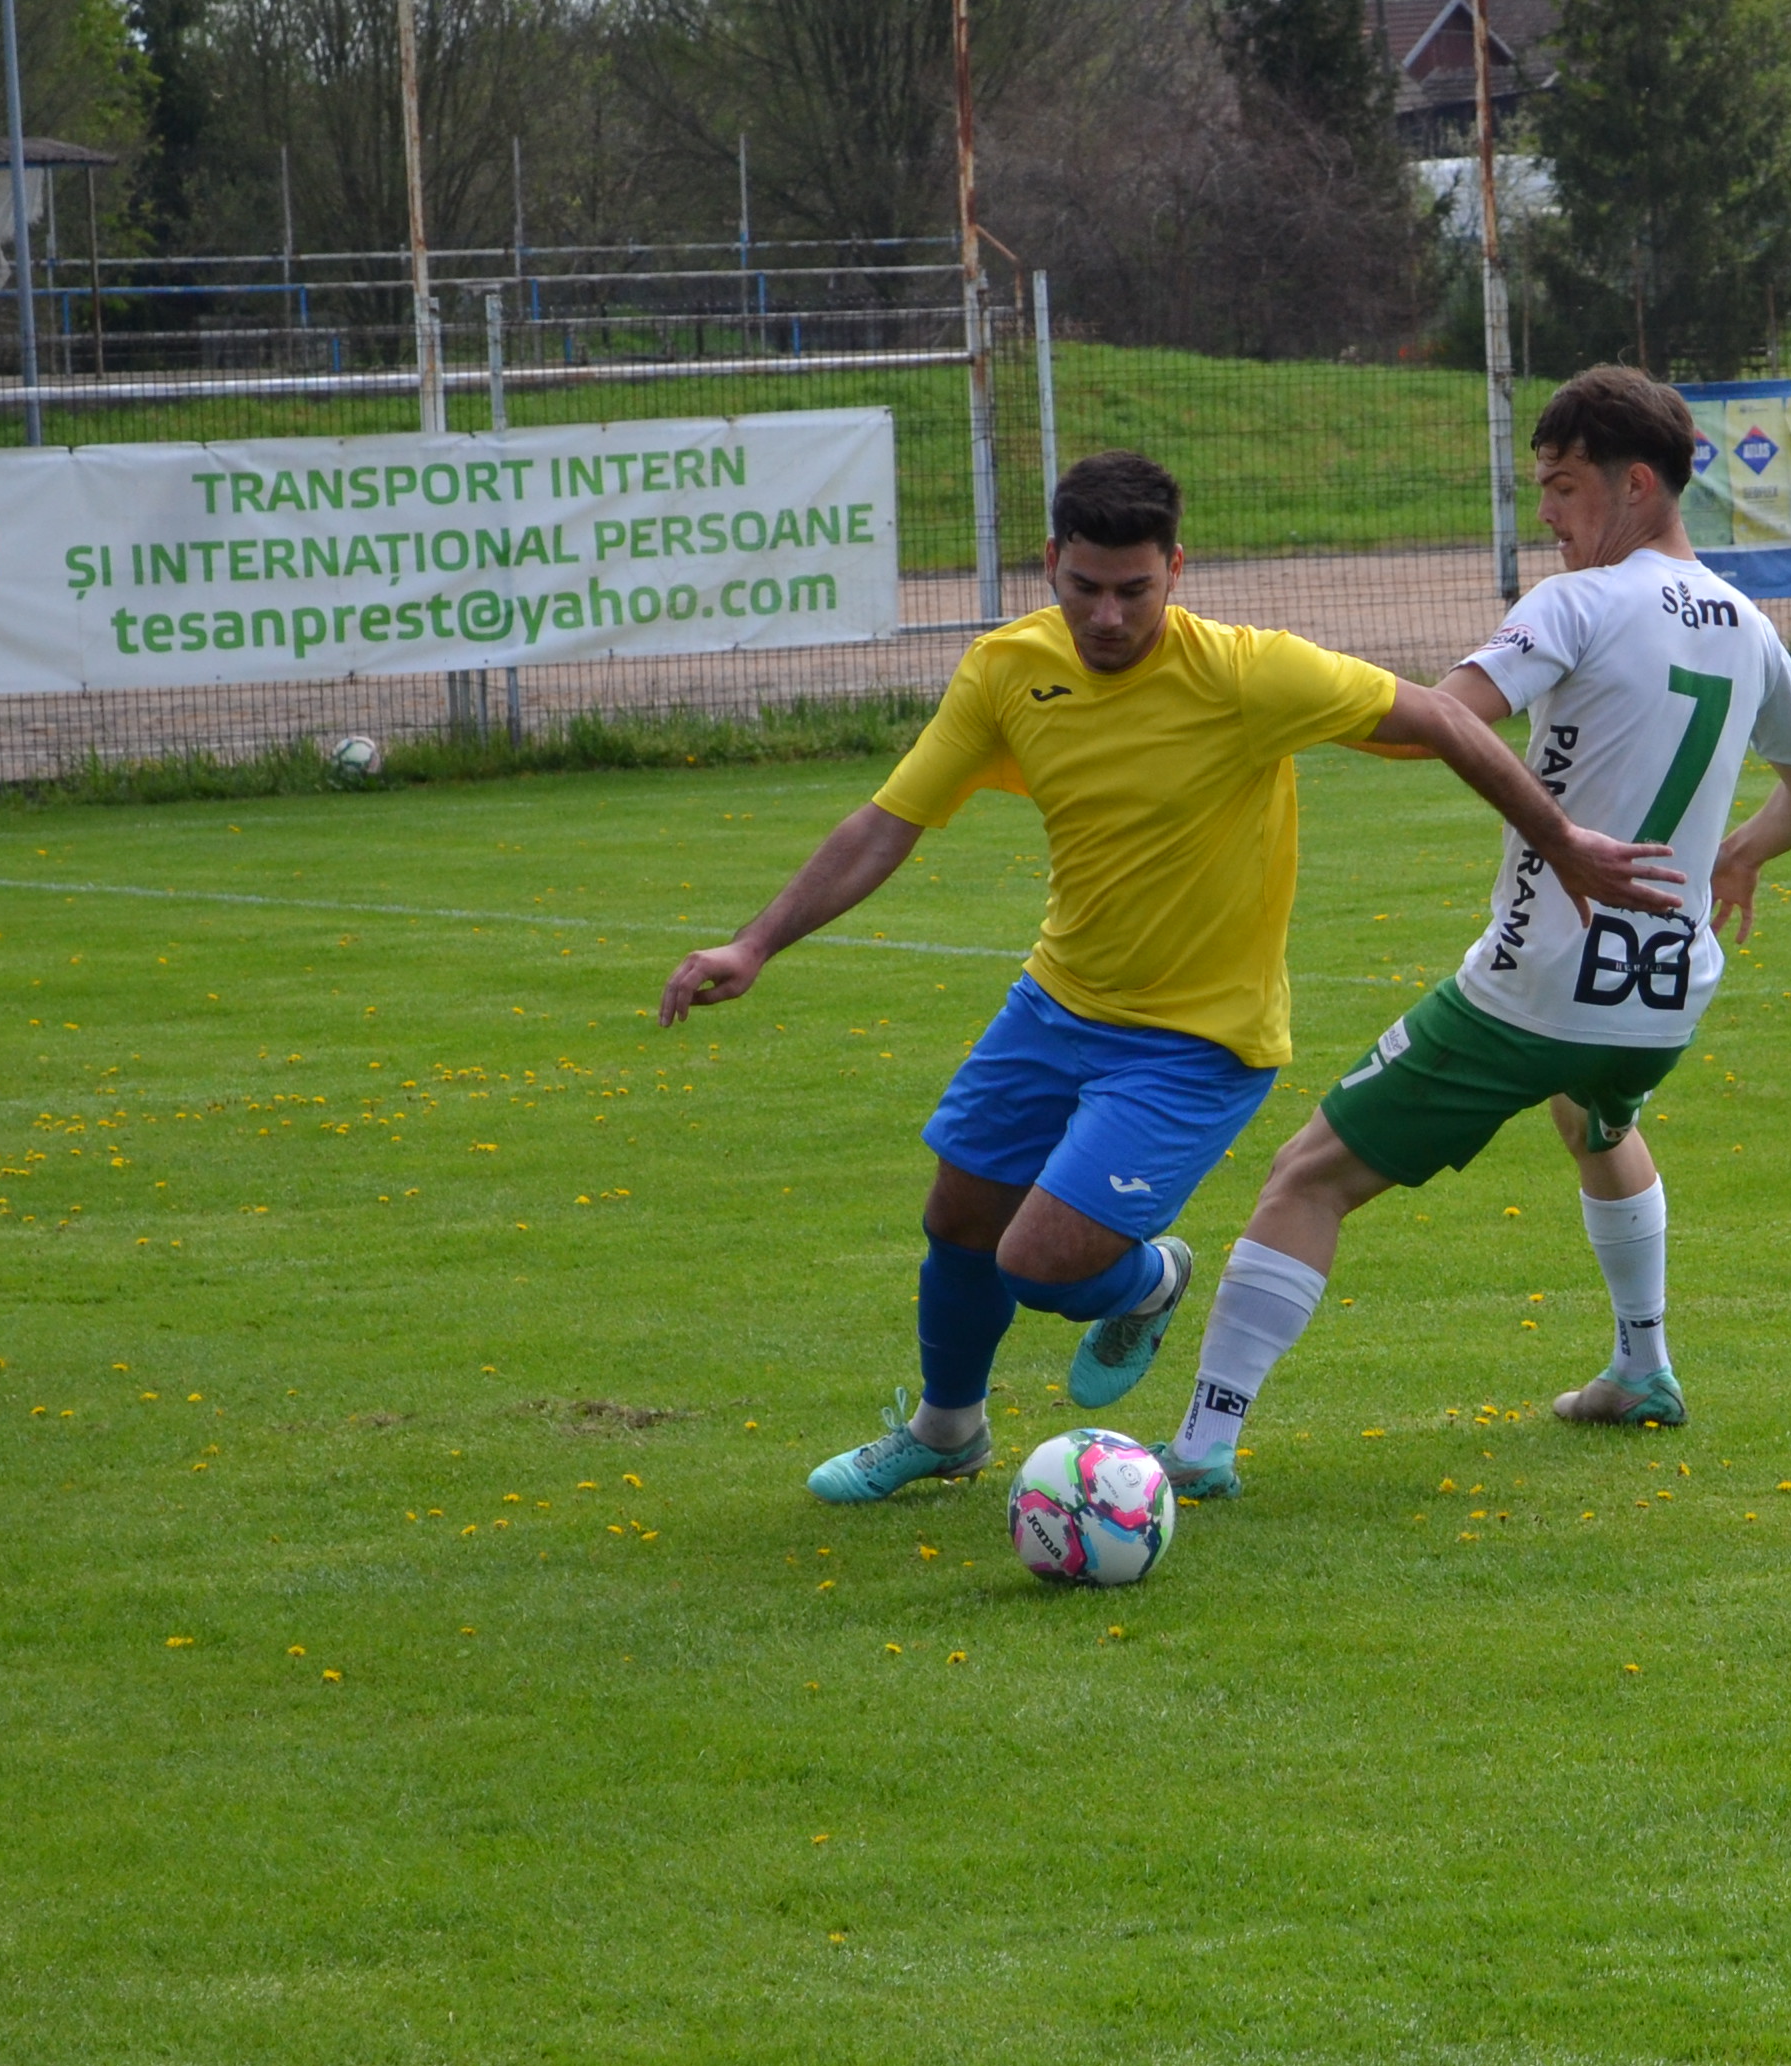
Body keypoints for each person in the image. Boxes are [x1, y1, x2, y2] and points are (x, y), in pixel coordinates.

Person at [657, 449, 1679, 1503]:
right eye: (1084, 587)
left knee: (1036, 1261)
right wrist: (755, 943)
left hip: (1198, 1040)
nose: (1106, 616)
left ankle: (1149, 1280)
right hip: (1054, 1003)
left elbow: (1443, 719)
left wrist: (1558, 839)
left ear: (1175, 570)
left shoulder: (1246, 673)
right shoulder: (1006, 669)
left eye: (1133, 590)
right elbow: (887, 822)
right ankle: (946, 1429)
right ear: (1049, 563)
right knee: (957, 1218)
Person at [1156, 367, 1791, 1501]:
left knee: (1306, 1175)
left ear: (1634, 484)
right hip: (1661, 999)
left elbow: (1428, 723)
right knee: (1592, 1113)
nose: (1548, 514)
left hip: (1538, 986)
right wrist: (1739, 854)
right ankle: (1641, 1365)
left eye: (1564, 487)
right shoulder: (1748, 624)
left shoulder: (1577, 603)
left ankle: (1199, 1444)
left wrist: (1279, 700)